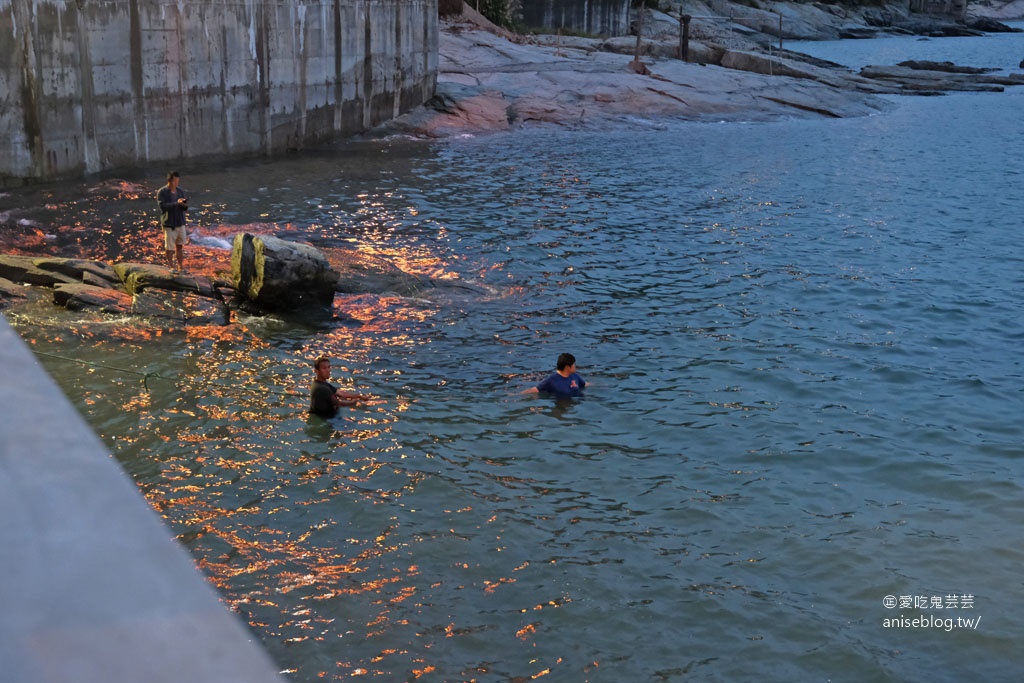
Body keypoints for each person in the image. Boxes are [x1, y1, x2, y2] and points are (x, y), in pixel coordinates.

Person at [157, 170, 189, 271]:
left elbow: (185, 207)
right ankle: (171, 266)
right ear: (169, 181)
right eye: (175, 181)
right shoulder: (162, 192)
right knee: (169, 247)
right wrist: (176, 203)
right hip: (169, 224)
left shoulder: (180, 191)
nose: (176, 183)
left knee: (180, 246)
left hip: (180, 222)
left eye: (177, 181)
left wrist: (183, 204)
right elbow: (163, 207)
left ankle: (180, 266)